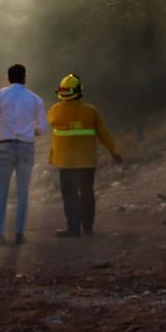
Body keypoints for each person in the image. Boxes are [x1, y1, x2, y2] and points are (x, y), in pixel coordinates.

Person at [0, 63, 48, 246]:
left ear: (8, 78)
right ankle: (19, 234)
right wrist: (29, 134)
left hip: (5, 146)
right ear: (25, 77)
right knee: (23, 192)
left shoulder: (1, 95)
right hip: (26, 147)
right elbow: (43, 127)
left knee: (2, 191)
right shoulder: (35, 99)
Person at [47, 73, 122, 238]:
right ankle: (88, 227)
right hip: (86, 160)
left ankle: (73, 228)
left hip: (65, 161)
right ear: (79, 91)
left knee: (70, 194)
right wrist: (114, 151)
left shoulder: (55, 110)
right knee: (87, 192)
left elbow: (45, 125)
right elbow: (104, 134)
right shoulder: (91, 111)